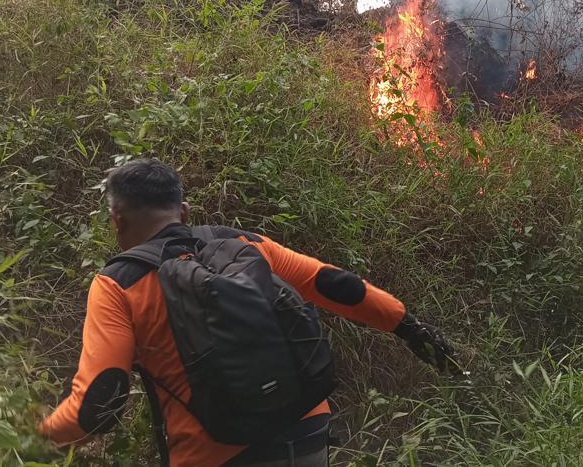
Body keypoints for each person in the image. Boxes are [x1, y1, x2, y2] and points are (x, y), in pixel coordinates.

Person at [38, 158, 454, 466]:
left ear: (116, 221)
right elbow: (336, 284)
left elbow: (97, 404)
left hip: (214, 453)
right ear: (183, 212)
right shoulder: (241, 243)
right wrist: (409, 328)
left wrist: (30, 437)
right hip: (306, 430)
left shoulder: (116, 285)